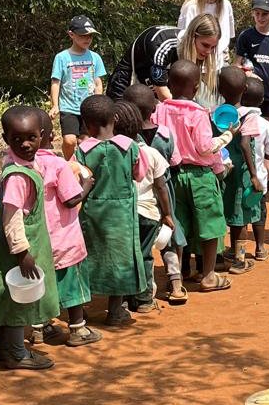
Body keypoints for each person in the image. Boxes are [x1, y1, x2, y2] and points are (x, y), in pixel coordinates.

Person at [0, 106, 60, 371]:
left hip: (19, 245)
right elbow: (12, 218)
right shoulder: (17, 175)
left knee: (8, 296)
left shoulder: (19, 165)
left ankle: (5, 349)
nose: (25, 144)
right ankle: (16, 352)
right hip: (20, 247)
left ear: (42, 136)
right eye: (17, 139)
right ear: (6, 139)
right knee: (18, 300)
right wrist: (22, 252)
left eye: (31, 138)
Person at [153, 60, 231, 292]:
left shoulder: (161, 109)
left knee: (179, 224)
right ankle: (208, 275)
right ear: (196, 88)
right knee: (210, 225)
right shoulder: (198, 113)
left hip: (172, 176)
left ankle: (179, 273)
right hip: (200, 176)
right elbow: (205, 147)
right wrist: (227, 137)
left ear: (169, 83)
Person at [26, 110, 101, 348]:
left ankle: (40, 328)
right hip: (64, 238)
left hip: (37, 239)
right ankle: (78, 329)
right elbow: (71, 200)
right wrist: (87, 185)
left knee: (41, 283)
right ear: (51, 135)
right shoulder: (58, 165)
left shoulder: (19, 165)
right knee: (72, 283)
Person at [77, 94, 145, 327]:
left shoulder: (83, 151)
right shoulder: (130, 147)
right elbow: (139, 175)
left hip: (92, 211)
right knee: (120, 258)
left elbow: (77, 180)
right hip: (123, 213)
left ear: (86, 124)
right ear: (115, 118)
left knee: (89, 255)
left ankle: (81, 309)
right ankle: (115, 311)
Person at [124, 84, 187, 306]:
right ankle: (176, 284)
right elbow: (176, 162)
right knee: (168, 235)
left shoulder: (126, 140)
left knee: (140, 244)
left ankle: (137, 291)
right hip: (164, 191)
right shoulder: (166, 134)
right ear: (154, 108)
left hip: (137, 198)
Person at [114, 101, 177, 313]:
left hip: (121, 214)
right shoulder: (151, 153)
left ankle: (120, 300)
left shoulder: (111, 154)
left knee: (124, 256)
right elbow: (161, 187)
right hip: (148, 214)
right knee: (144, 256)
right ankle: (143, 300)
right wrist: (168, 214)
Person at [107, 14, 223, 106]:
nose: (208, 52)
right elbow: (162, 92)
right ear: (192, 37)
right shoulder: (162, 45)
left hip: (151, 92)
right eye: (205, 45)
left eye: (213, 47)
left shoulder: (200, 52)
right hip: (127, 82)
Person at [214, 65, 263, 274]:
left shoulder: (215, 114)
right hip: (242, 171)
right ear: (245, 89)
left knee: (224, 211)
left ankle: (219, 257)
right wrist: (253, 175)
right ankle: (240, 260)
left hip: (222, 170)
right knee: (241, 216)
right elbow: (245, 144)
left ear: (218, 89)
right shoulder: (249, 116)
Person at [50, 15, 107, 161]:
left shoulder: (95, 58)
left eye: (90, 36)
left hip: (88, 108)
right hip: (68, 107)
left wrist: (97, 104)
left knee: (86, 142)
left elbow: (98, 83)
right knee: (70, 141)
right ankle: (69, 164)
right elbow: (56, 82)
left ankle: (82, 167)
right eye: (83, 36)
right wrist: (55, 105)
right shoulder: (62, 57)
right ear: (71, 35)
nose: (87, 39)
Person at [238, 77, 269, 262]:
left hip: (236, 179)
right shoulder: (266, 125)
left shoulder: (231, 119)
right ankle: (260, 248)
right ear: (262, 101)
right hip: (259, 179)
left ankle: (238, 253)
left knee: (238, 216)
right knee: (259, 212)